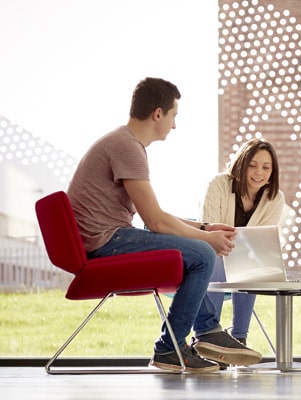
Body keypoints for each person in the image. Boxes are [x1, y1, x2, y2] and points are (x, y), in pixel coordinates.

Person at [66, 77, 262, 373]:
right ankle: (175, 346)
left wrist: (205, 228)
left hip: (109, 237)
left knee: (194, 250)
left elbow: (153, 217)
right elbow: (155, 221)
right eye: (173, 116)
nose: (174, 125)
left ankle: (203, 334)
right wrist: (206, 240)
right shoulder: (126, 147)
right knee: (202, 254)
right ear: (158, 113)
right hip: (105, 242)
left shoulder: (123, 143)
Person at [201, 138, 285, 348]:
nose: (259, 173)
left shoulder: (275, 198)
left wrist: (246, 249)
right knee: (217, 259)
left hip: (246, 258)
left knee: (254, 267)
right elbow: (210, 228)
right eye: (253, 165)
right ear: (241, 164)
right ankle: (208, 335)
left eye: (266, 167)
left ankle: (240, 337)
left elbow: (262, 242)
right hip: (211, 252)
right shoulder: (219, 184)